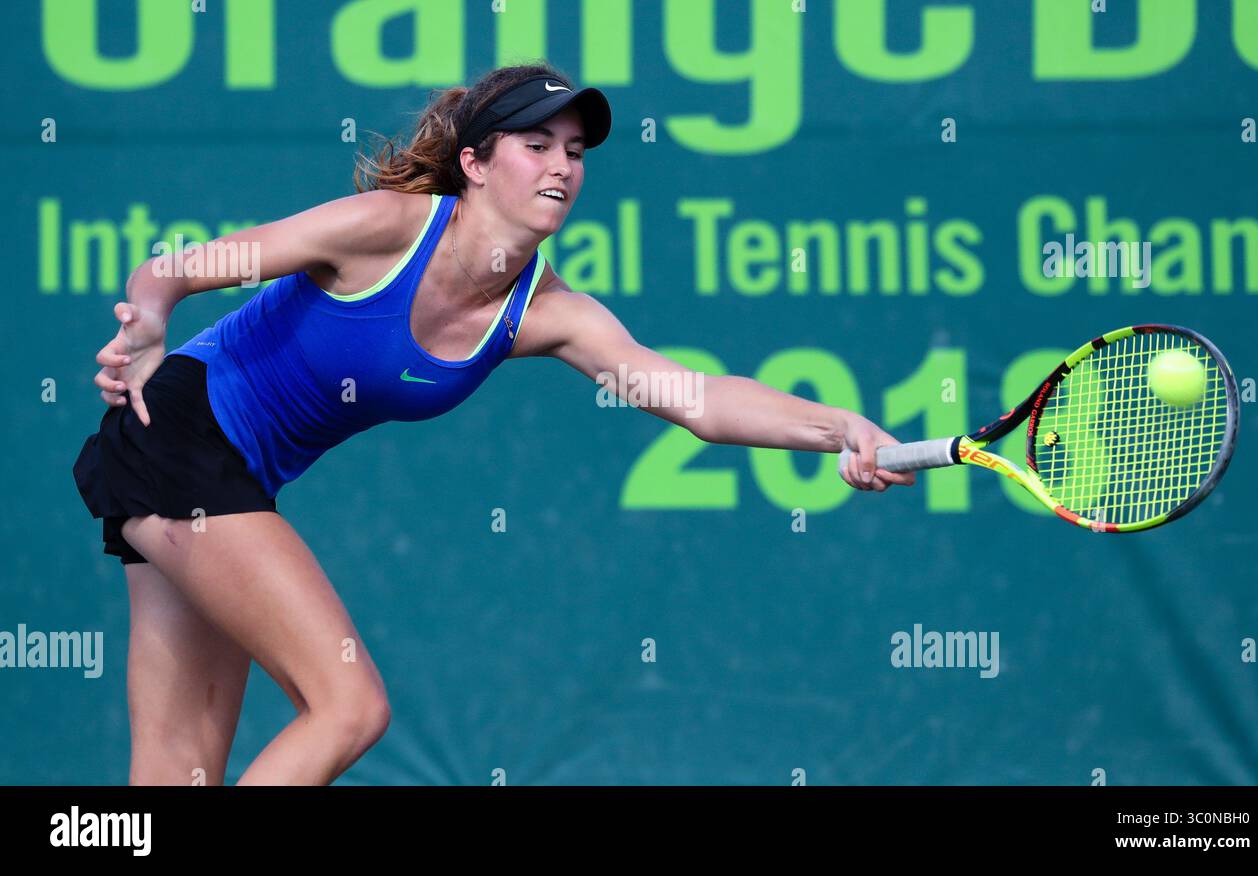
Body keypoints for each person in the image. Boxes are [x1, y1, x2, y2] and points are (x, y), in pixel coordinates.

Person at [73, 62, 914, 786]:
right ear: (473, 163)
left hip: (228, 473)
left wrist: (839, 426)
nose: (562, 167)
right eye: (537, 146)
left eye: (575, 152)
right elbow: (188, 266)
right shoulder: (387, 231)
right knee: (348, 705)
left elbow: (695, 399)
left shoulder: (547, 313)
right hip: (178, 431)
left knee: (177, 769)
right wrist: (149, 317)